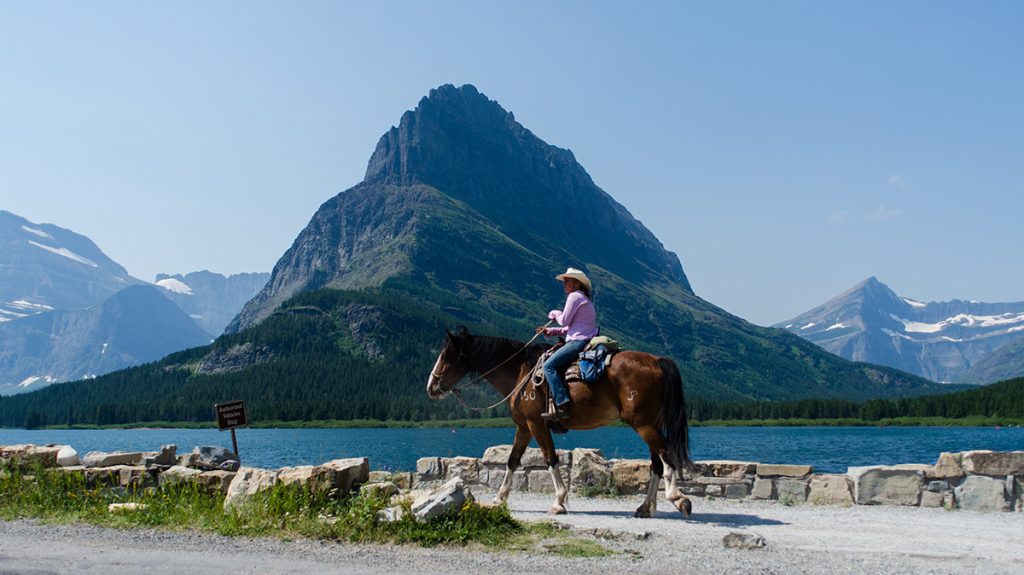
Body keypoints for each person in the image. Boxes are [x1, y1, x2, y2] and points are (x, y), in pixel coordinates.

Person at [537, 267, 598, 420]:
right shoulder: (584, 298)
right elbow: (570, 328)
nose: (564, 284)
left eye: (566, 281)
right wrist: (549, 331)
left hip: (577, 341)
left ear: (576, 283)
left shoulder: (574, 297)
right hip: (584, 339)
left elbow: (564, 320)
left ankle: (561, 403)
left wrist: (554, 312)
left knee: (548, 366)